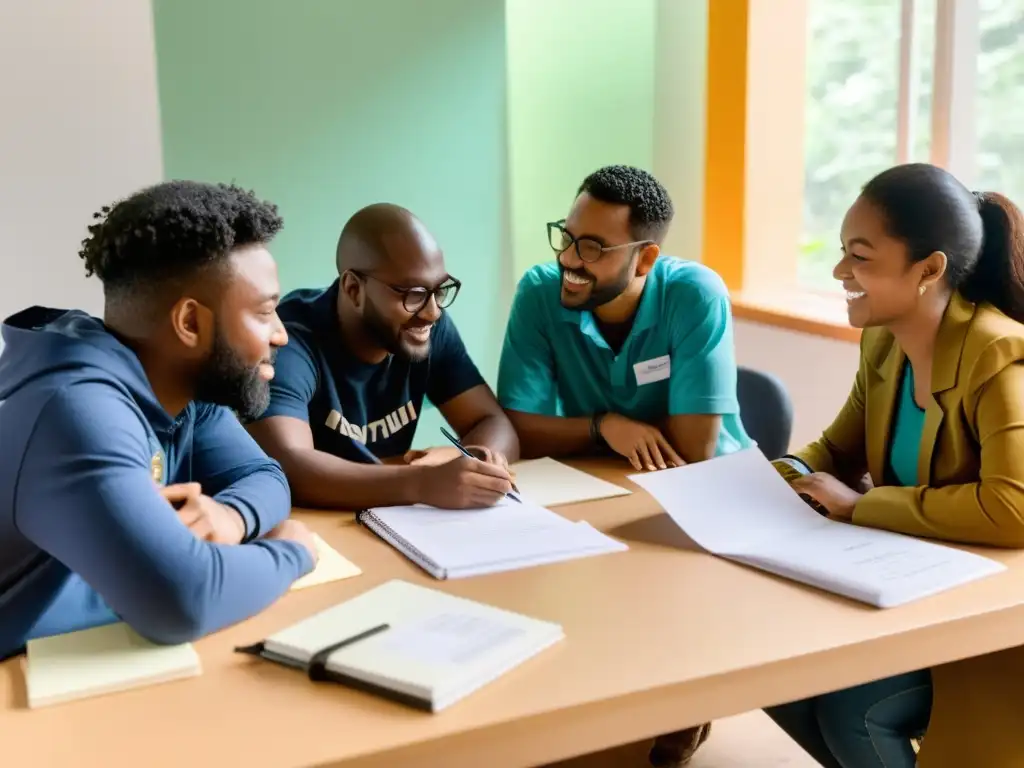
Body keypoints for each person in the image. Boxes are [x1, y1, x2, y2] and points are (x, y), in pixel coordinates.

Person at [766, 162, 1024, 768]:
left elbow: (1013, 507)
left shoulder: (1000, 353)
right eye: (841, 253)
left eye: (860, 257)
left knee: (853, 709)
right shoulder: (885, 342)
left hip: (993, 618)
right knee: (776, 681)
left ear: (929, 269)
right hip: (914, 587)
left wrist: (860, 507)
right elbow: (833, 452)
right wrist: (774, 473)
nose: (840, 273)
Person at [0, 180, 319, 660]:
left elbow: (262, 475)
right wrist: (294, 551)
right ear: (190, 323)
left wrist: (230, 517)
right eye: (265, 312)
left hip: (78, 655)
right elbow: (182, 601)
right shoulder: (77, 411)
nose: (281, 336)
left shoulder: (180, 384)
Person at [497, 164, 751, 765]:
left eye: (593, 247)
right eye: (567, 236)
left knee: (661, 599)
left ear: (644, 259)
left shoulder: (694, 294)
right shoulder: (540, 291)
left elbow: (692, 448)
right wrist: (602, 426)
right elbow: (517, 427)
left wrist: (581, 434)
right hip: (597, 479)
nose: (570, 259)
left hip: (707, 490)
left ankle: (680, 702)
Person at [246, 203, 518, 511]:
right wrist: (422, 483)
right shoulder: (290, 341)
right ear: (353, 289)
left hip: (393, 516)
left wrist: (473, 457)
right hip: (316, 526)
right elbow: (290, 462)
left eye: (439, 290)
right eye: (413, 294)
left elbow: (495, 422)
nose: (432, 312)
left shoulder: (428, 327)